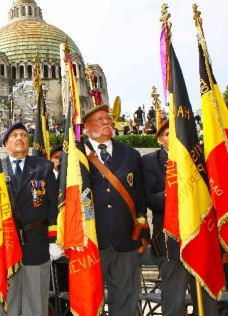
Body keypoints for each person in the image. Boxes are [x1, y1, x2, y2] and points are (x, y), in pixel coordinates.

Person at [79, 104, 149, 315]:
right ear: (87, 128)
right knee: (90, 299)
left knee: (125, 298)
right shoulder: (75, 153)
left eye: (108, 119)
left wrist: (143, 231)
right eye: (100, 120)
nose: (107, 123)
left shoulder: (130, 154)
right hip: (89, 239)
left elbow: (140, 195)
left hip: (125, 237)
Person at [143, 119, 218, 315]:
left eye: (177, 133)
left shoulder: (199, 158)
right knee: (174, 298)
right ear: (160, 139)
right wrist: (176, 189)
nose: (174, 138)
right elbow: (152, 200)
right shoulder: (150, 161)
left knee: (207, 296)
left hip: (201, 235)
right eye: (168, 134)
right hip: (170, 239)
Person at [0, 122, 61, 315]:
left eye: (24, 135)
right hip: (5, 244)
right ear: (5, 142)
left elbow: (53, 206)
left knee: (35, 301)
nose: (20, 139)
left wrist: (53, 240)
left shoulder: (44, 167)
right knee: (7, 301)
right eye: (14, 135)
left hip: (36, 242)